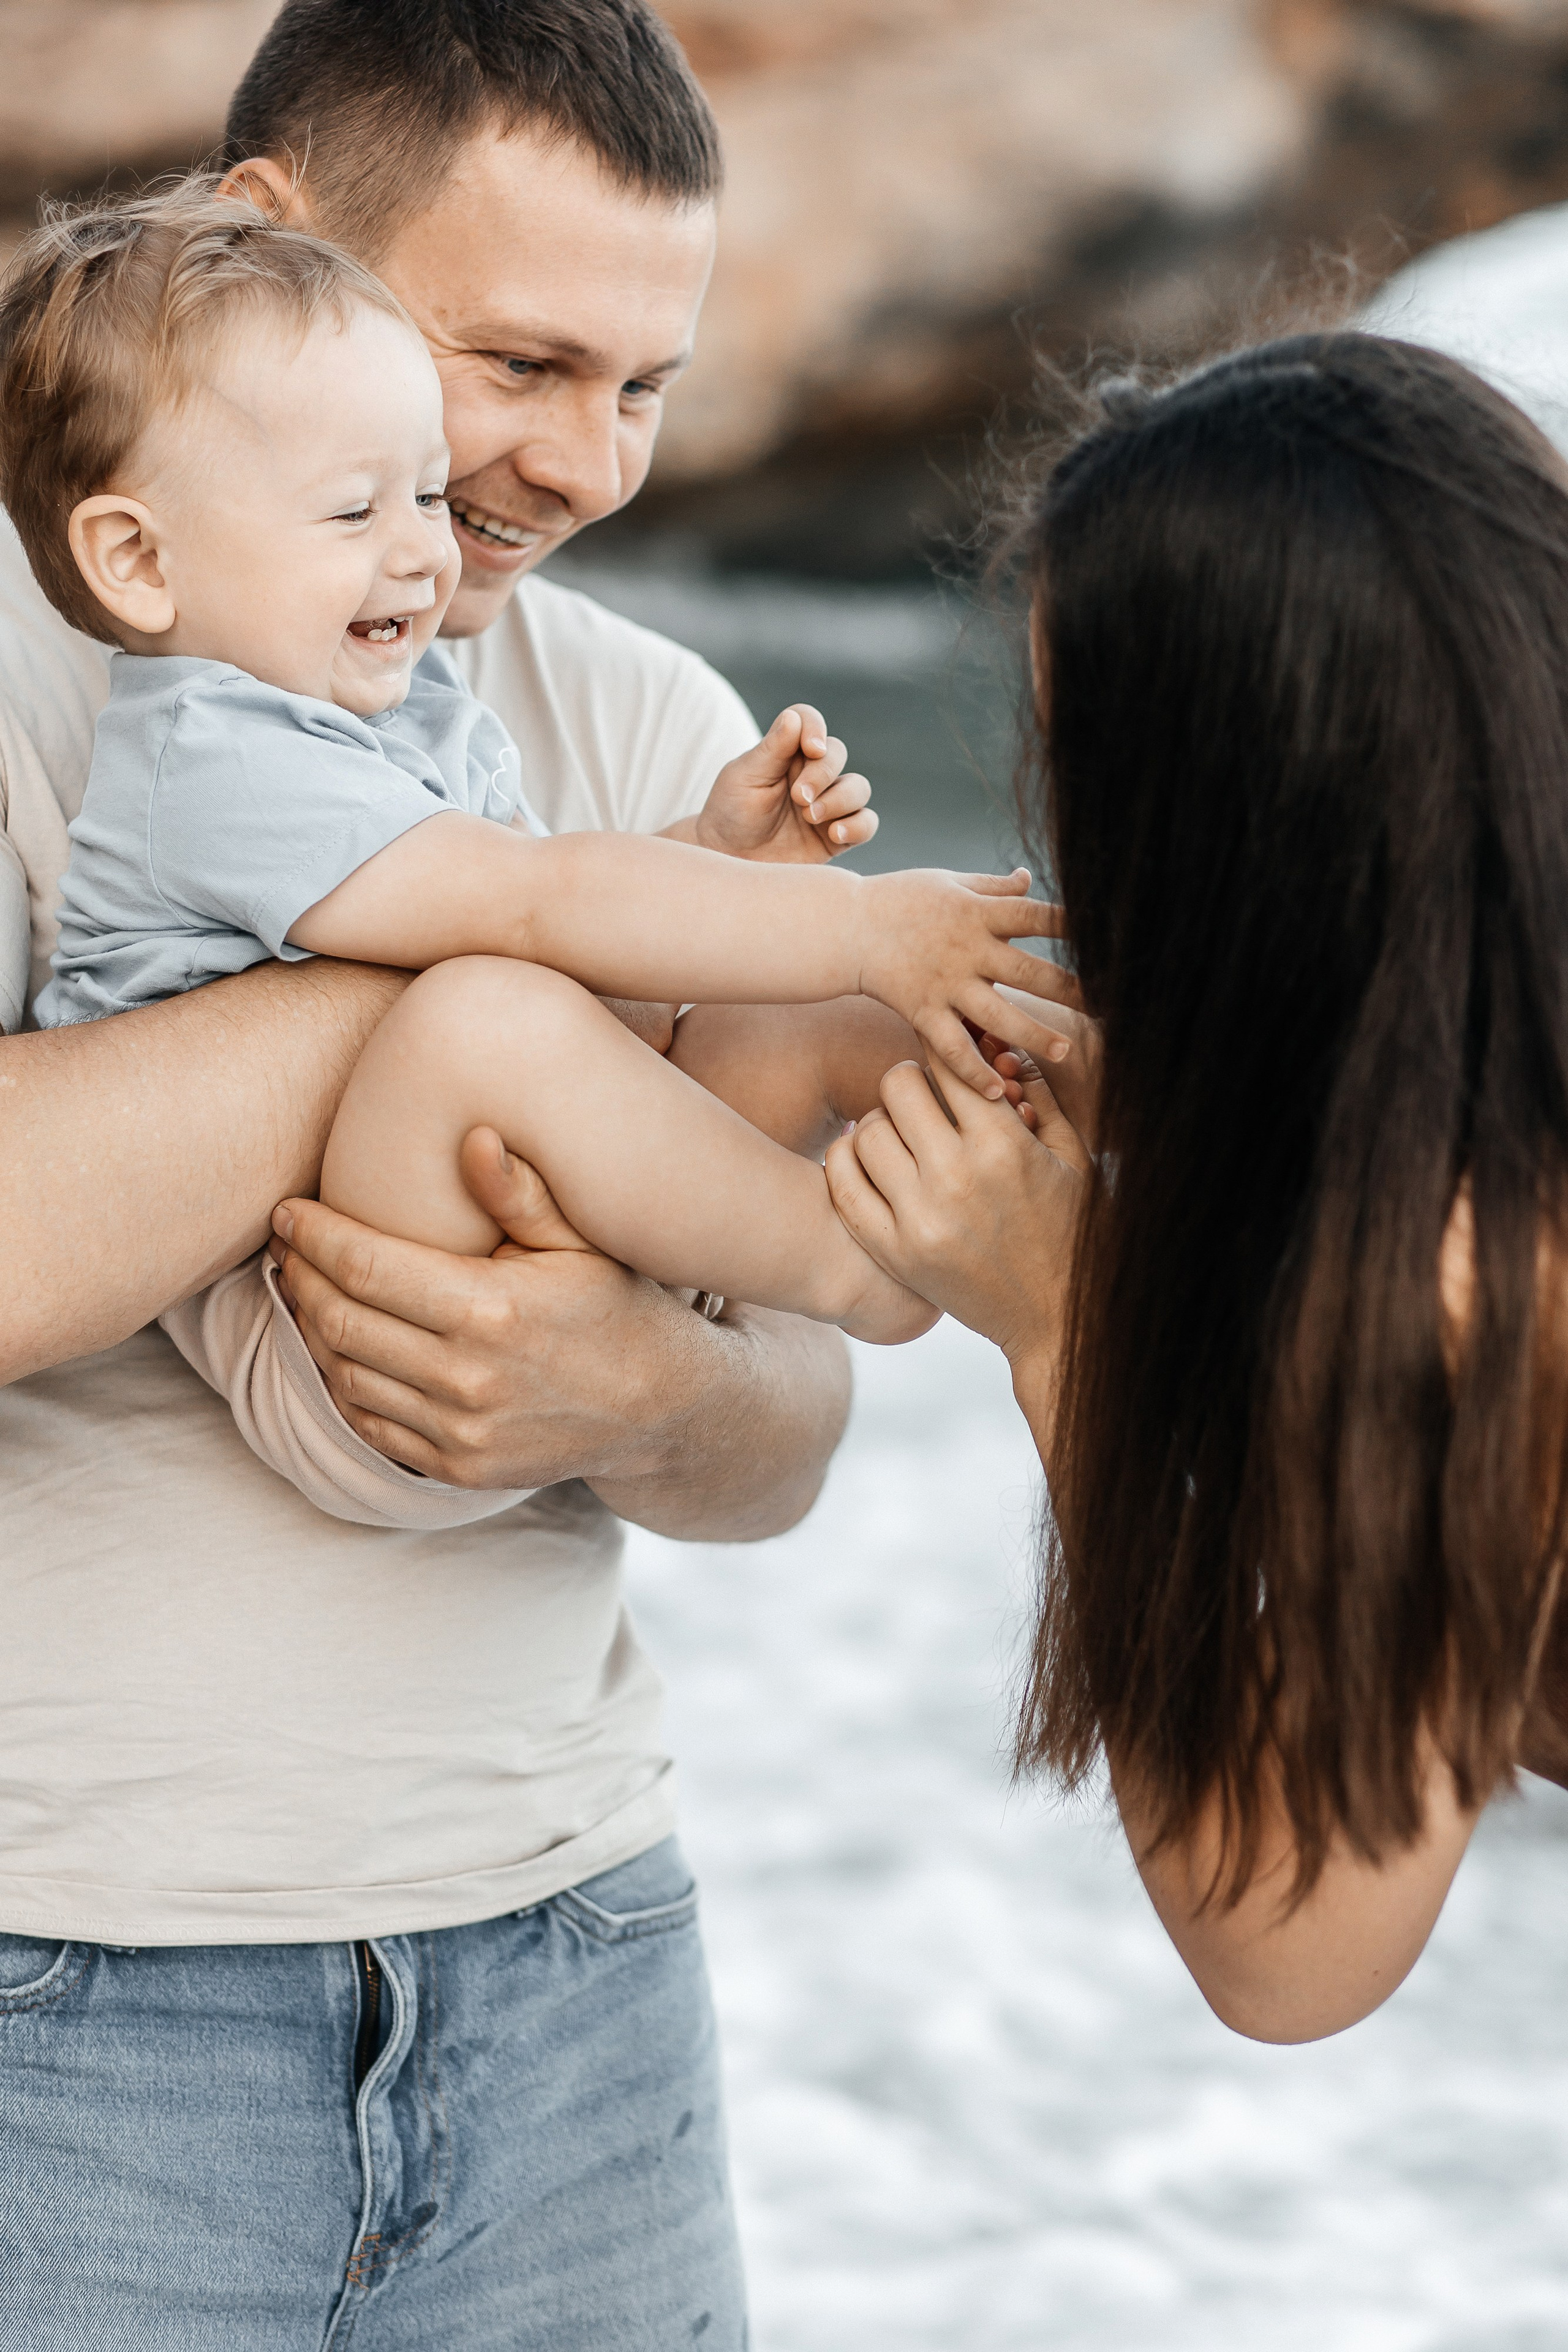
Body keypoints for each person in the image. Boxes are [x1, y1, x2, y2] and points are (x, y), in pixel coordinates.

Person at [0, 2, 906, 2341]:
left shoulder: (640, 726)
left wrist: (636, 1394)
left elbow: (789, 1423)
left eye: (644, 386)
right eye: (515, 360)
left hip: (576, 1965)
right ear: (259, 244)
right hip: (68, 1999)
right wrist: (487, 944)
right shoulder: (44, 680)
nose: (581, 464)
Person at [826, 331, 1568, 2051]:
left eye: (1090, 777)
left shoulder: (1465, 1264)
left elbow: (1297, 1947)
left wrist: (1055, 1327)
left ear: (1244, 821)